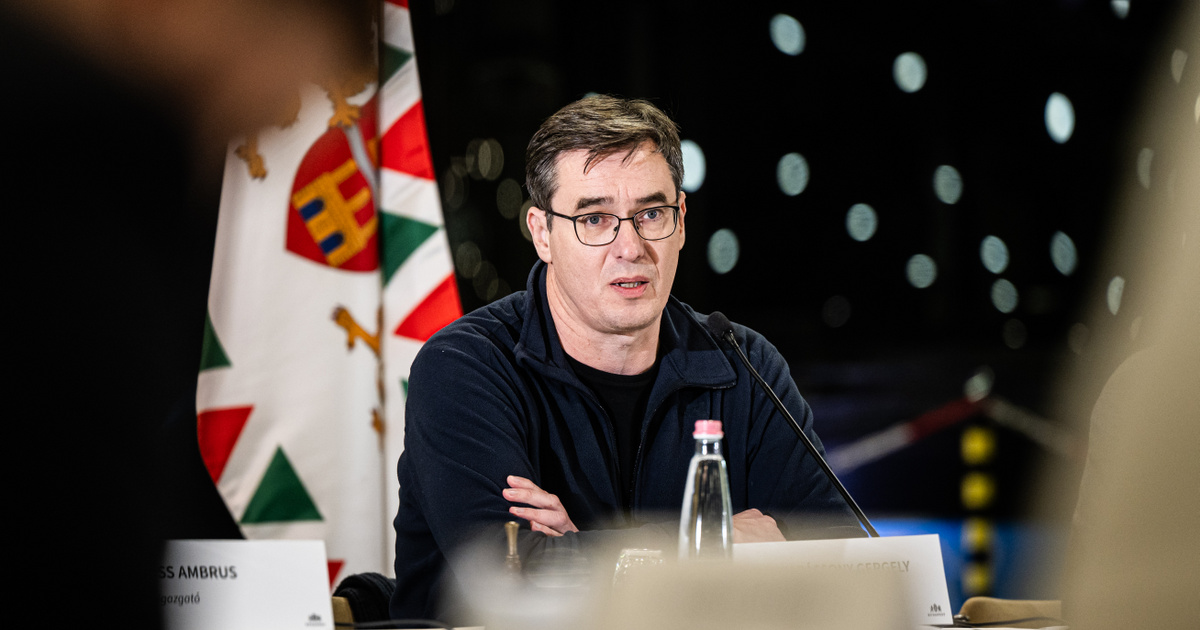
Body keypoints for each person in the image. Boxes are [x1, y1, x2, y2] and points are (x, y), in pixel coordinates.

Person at [391, 95, 859, 623]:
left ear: (681, 221)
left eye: (651, 214)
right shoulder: (465, 367)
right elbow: (509, 575)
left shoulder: (744, 365)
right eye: (594, 219)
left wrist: (583, 550)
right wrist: (711, 543)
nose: (630, 247)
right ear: (542, 233)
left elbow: (838, 554)